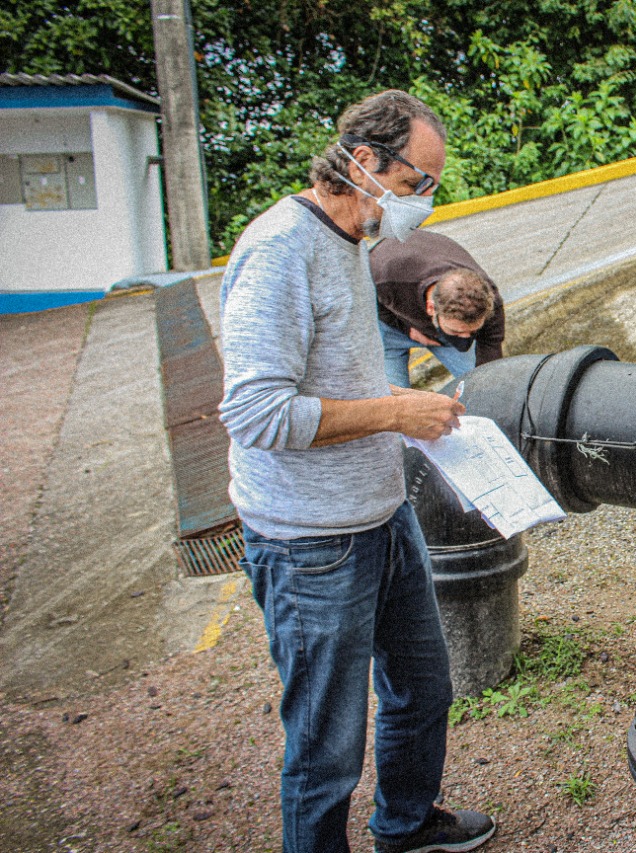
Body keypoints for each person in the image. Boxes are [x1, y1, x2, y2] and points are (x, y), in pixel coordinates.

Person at [218, 89, 496, 853]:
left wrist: (399, 405)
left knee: (423, 689)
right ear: (365, 162)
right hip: (309, 542)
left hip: (380, 514)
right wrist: (393, 413)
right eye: (415, 184)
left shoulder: (351, 241)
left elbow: (338, 381)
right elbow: (257, 415)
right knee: (326, 742)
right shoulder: (279, 249)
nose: (422, 203)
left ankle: (404, 826)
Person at [370, 230, 506, 385]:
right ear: (431, 308)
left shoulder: (489, 300)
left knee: (480, 383)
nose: (465, 340)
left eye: (473, 331)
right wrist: (407, 329)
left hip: (441, 334)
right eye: (457, 331)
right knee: (393, 400)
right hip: (393, 332)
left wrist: (486, 386)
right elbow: (367, 306)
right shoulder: (385, 277)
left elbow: (490, 357)